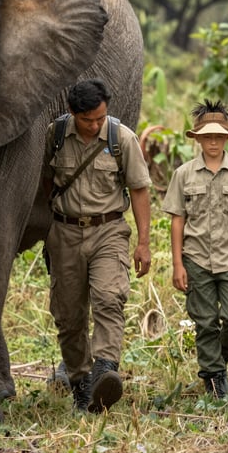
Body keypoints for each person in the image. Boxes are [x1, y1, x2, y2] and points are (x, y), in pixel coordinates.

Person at [43, 78, 152, 412]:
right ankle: (80, 383)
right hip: (64, 232)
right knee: (69, 315)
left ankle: (105, 368)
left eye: (100, 118)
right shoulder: (56, 136)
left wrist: (144, 243)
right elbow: (40, 182)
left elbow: (139, 189)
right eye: (87, 119)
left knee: (109, 297)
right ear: (73, 113)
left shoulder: (122, 139)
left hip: (109, 230)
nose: (94, 125)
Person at [162, 101, 228, 399]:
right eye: (207, 137)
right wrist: (177, 264)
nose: (213, 142)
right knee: (204, 321)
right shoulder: (183, 175)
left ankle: (217, 360)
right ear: (198, 139)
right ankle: (216, 382)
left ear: (227, 139)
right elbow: (178, 221)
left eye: (219, 137)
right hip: (196, 259)